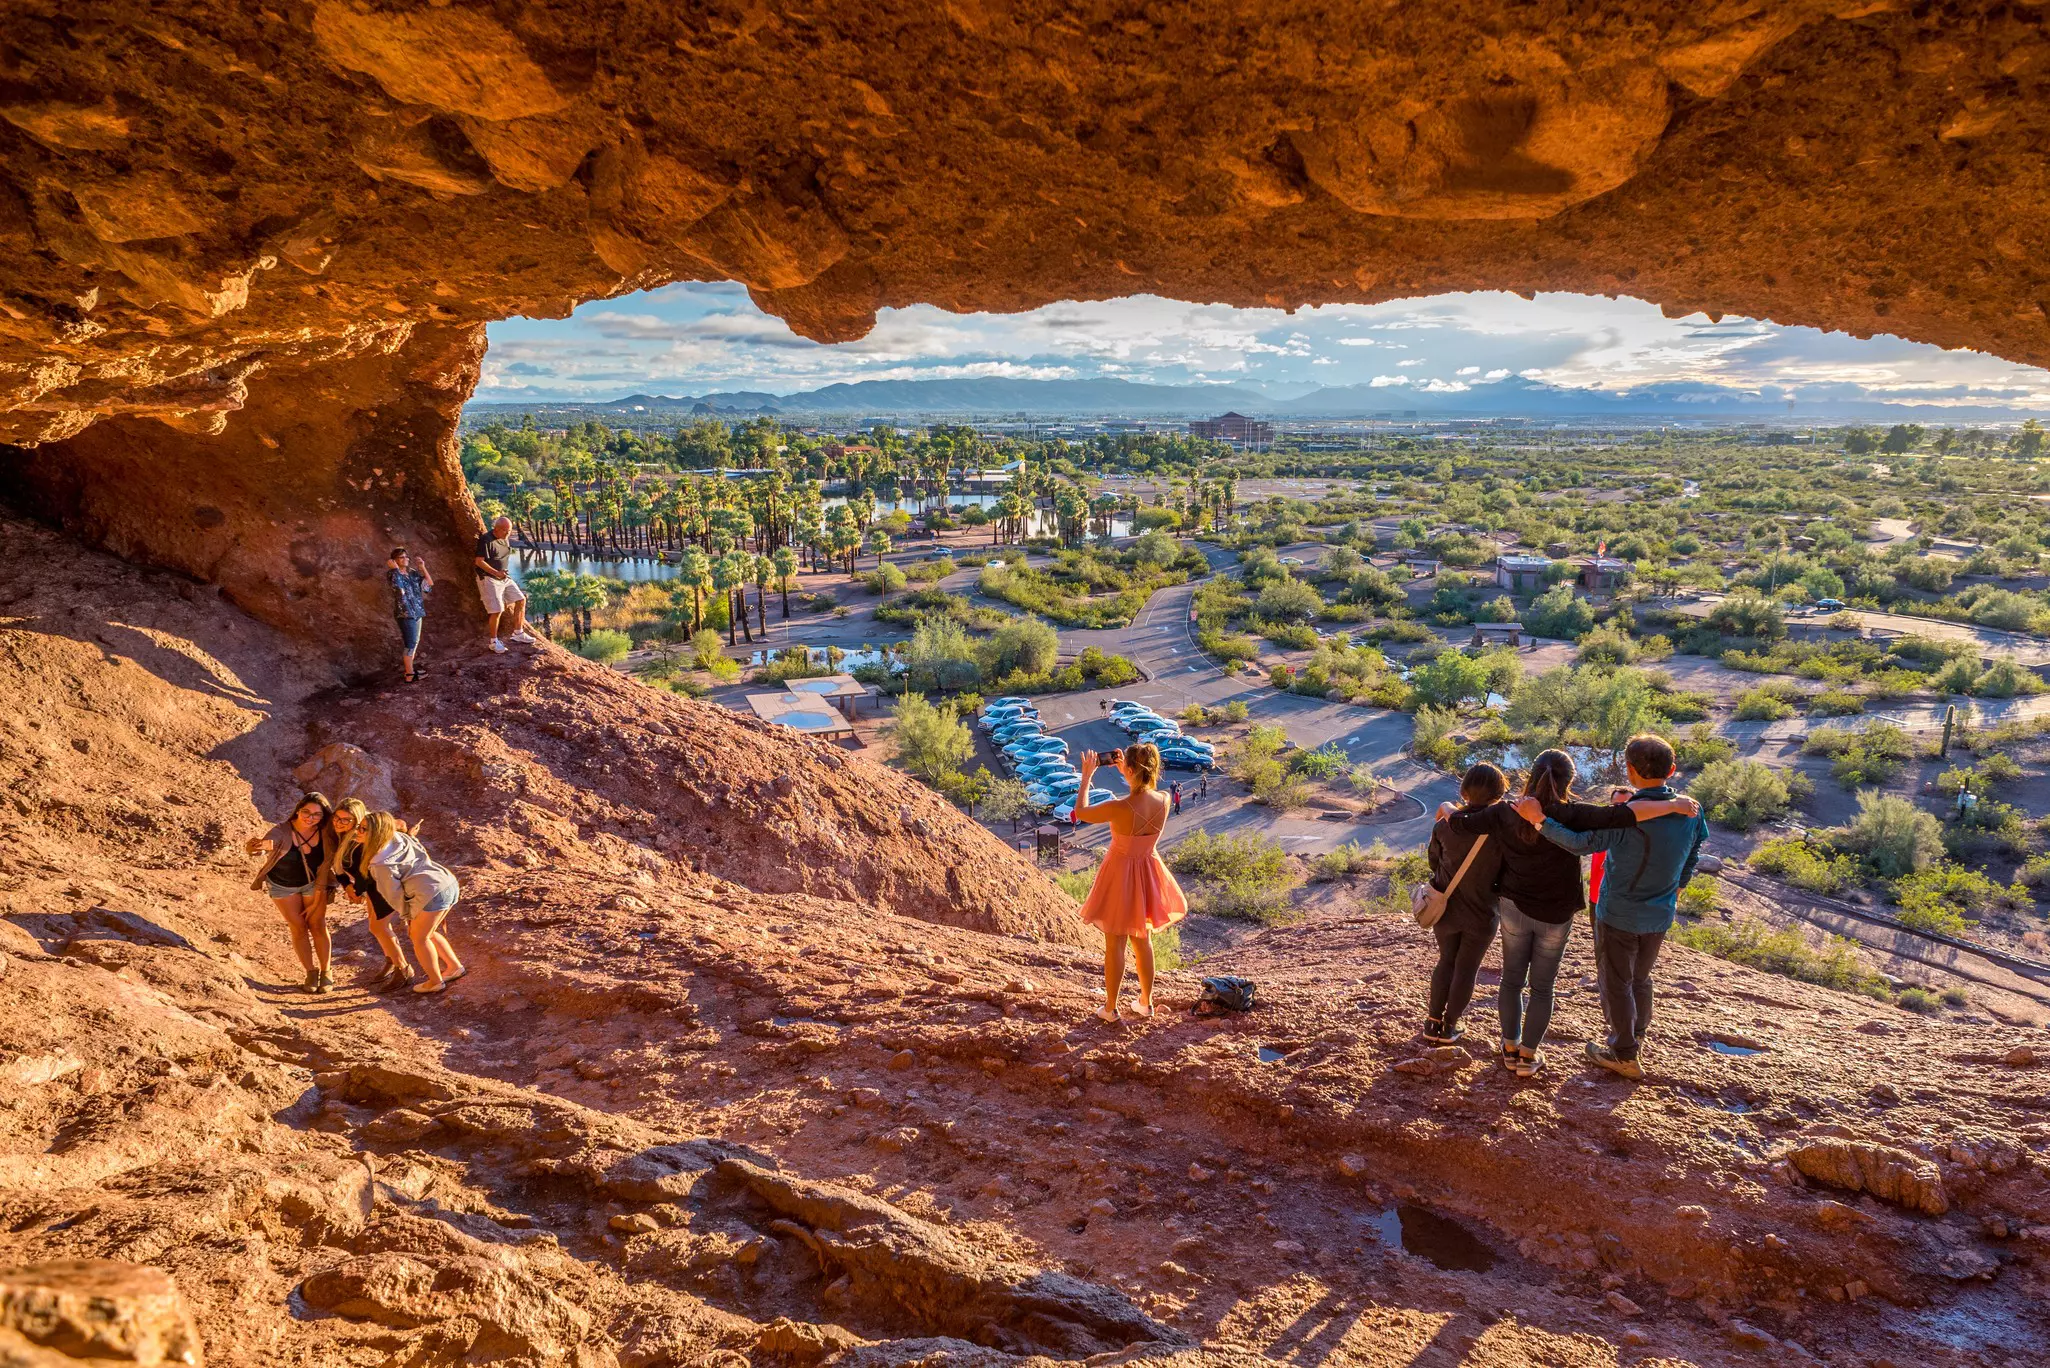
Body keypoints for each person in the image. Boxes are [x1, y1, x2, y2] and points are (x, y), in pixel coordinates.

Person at [1437, 750, 1698, 1077]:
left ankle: (1509, 1048)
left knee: (1512, 981)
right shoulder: (1573, 813)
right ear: (1570, 780)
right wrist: (1672, 805)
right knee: (1542, 987)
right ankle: (1528, 1057)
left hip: (1514, 906)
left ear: (1531, 774)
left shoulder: (1506, 811)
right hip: (1556, 914)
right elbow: (1625, 815)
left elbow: (1461, 823)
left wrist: (1446, 807)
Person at [1521, 734, 1710, 1081]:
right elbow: (1695, 850)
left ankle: (1623, 1053)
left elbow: (1580, 843)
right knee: (1641, 978)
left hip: (1619, 912)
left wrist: (1540, 821)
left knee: (1616, 982)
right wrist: (1679, 886)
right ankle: (1635, 1036)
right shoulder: (1691, 810)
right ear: (1671, 769)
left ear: (1630, 771)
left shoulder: (1627, 818)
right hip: (1660, 912)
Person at [1072, 743, 1187, 1022]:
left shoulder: (1119, 808)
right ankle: (1146, 1003)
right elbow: (1143, 790)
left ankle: (1110, 1009)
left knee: (1115, 943)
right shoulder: (1164, 799)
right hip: (1148, 870)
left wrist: (1086, 777)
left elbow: (1081, 812)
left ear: (1132, 770)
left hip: (1121, 874)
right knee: (1142, 939)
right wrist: (1128, 771)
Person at [1422, 764, 1509, 1044]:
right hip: (1483, 911)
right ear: (1498, 794)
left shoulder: (1444, 826)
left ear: (1464, 791)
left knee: (1446, 960)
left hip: (1446, 908)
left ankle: (1432, 1022)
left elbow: (1434, 862)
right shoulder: (1502, 831)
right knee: (1467, 968)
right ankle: (1450, 1027)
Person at [360, 811, 467, 994]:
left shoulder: (380, 862)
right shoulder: (397, 837)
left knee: (419, 937)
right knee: (428, 932)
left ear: (377, 832)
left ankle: (435, 982)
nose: (357, 831)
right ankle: (454, 967)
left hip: (430, 892)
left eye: (363, 828)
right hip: (446, 882)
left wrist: (407, 914)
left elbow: (393, 895)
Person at [244, 793, 338, 993]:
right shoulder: (281, 830)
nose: (310, 817)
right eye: (306, 812)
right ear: (298, 810)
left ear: (323, 816)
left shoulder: (326, 833)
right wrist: (257, 848)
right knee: (298, 927)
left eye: (316, 814)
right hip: (282, 885)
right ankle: (310, 972)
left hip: (314, 884)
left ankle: (326, 972)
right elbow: (268, 843)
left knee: (318, 925)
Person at [329, 798, 416, 990]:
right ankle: (391, 961)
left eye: (346, 820)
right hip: (372, 888)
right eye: (337, 817)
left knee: (379, 927)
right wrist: (348, 886)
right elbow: (341, 867)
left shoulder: (361, 840)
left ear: (357, 820)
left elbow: (365, 871)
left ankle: (403, 969)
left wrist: (356, 891)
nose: (339, 822)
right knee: (376, 926)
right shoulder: (345, 837)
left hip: (382, 887)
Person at [474, 516, 537, 655]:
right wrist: (496, 573)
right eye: (505, 530)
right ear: (496, 528)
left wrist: (502, 573)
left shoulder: (505, 538)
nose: (508, 533)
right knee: (497, 610)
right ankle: (493, 642)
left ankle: (518, 633)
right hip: (489, 579)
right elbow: (479, 561)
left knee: (521, 599)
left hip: (504, 578)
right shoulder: (486, 540)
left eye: (509, 530)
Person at [388, 546, 432, 683]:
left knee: (415, 642)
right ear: (394, 560)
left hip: (417, 611)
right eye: (401, 557)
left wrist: (422, 567)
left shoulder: (412, 573)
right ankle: (409, 674)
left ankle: (410, 670)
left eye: (406, 556)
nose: (405, 559)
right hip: (405, 613)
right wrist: (395, 569)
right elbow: (399, 589)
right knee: (410, 644)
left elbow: (428, 585)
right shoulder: (392, 574)